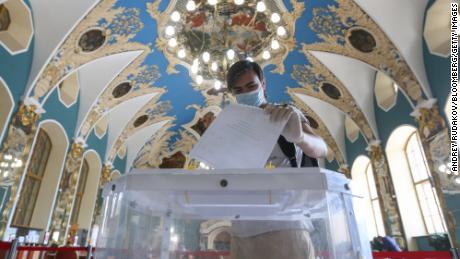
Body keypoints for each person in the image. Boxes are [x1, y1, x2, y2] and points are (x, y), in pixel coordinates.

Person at [226, 60, 328, 259]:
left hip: (286, 224)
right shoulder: (232, 126)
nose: (245, 93)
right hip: (242, 229)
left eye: (251, 86)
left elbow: (322, 149)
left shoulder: (286, 114)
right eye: (238, 90)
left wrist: (300, 137)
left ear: (263, 84)